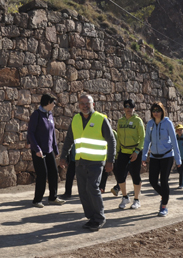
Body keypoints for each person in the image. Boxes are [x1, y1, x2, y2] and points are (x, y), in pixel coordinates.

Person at [60, 94, 116, 231]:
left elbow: (111, 140)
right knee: (83, 191)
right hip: (80, 161)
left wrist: (110, 161)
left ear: (93, 105)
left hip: (96, 162)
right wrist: (63, 156)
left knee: (92, 188)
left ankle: (99, 218)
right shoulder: (76, 119)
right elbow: (69, 139)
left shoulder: (101, 119)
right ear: (78, 105)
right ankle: (91, 218)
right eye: (82, 103)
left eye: (88, 103)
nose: (85, 106)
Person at [142, 102, 181, 217]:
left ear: (162, 111)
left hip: (167, 156)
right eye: (153, 111)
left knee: (164, 180)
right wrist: (144, 156)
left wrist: (178, 160)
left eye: (158, 110)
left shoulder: (167, 123)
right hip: (154, 156)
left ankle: (164, 206)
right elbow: (146, 141)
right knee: (152, 181)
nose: (156, 113)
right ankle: (165, 195)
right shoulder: (150, 124)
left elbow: (174, 141)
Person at [28, 94, 65, 208]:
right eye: (53, 103)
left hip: (49, 150)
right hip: (39, 151)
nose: (54, 105)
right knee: (42, 174)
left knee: (54, 172)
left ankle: (53, 197)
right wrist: (37, 149)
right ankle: (37, 200)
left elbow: (52, 133)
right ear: (47, 103)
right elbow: (31, 133)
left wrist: (55, 148)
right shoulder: (36, 115)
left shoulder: (50, 115)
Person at [115, 99, 145, 210]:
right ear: (123, 108)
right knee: (119, 174)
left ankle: (136, 199)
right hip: (123, 151)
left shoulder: (138, 121)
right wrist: (117, 153)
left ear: (134, 108)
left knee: (135, 174)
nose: (128, 109)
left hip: (135, 151)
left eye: (131, 107)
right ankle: (124, 197)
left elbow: (142, 138)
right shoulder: (121, 121)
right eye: (126, 107)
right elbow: (118, 138)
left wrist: (137, 152)